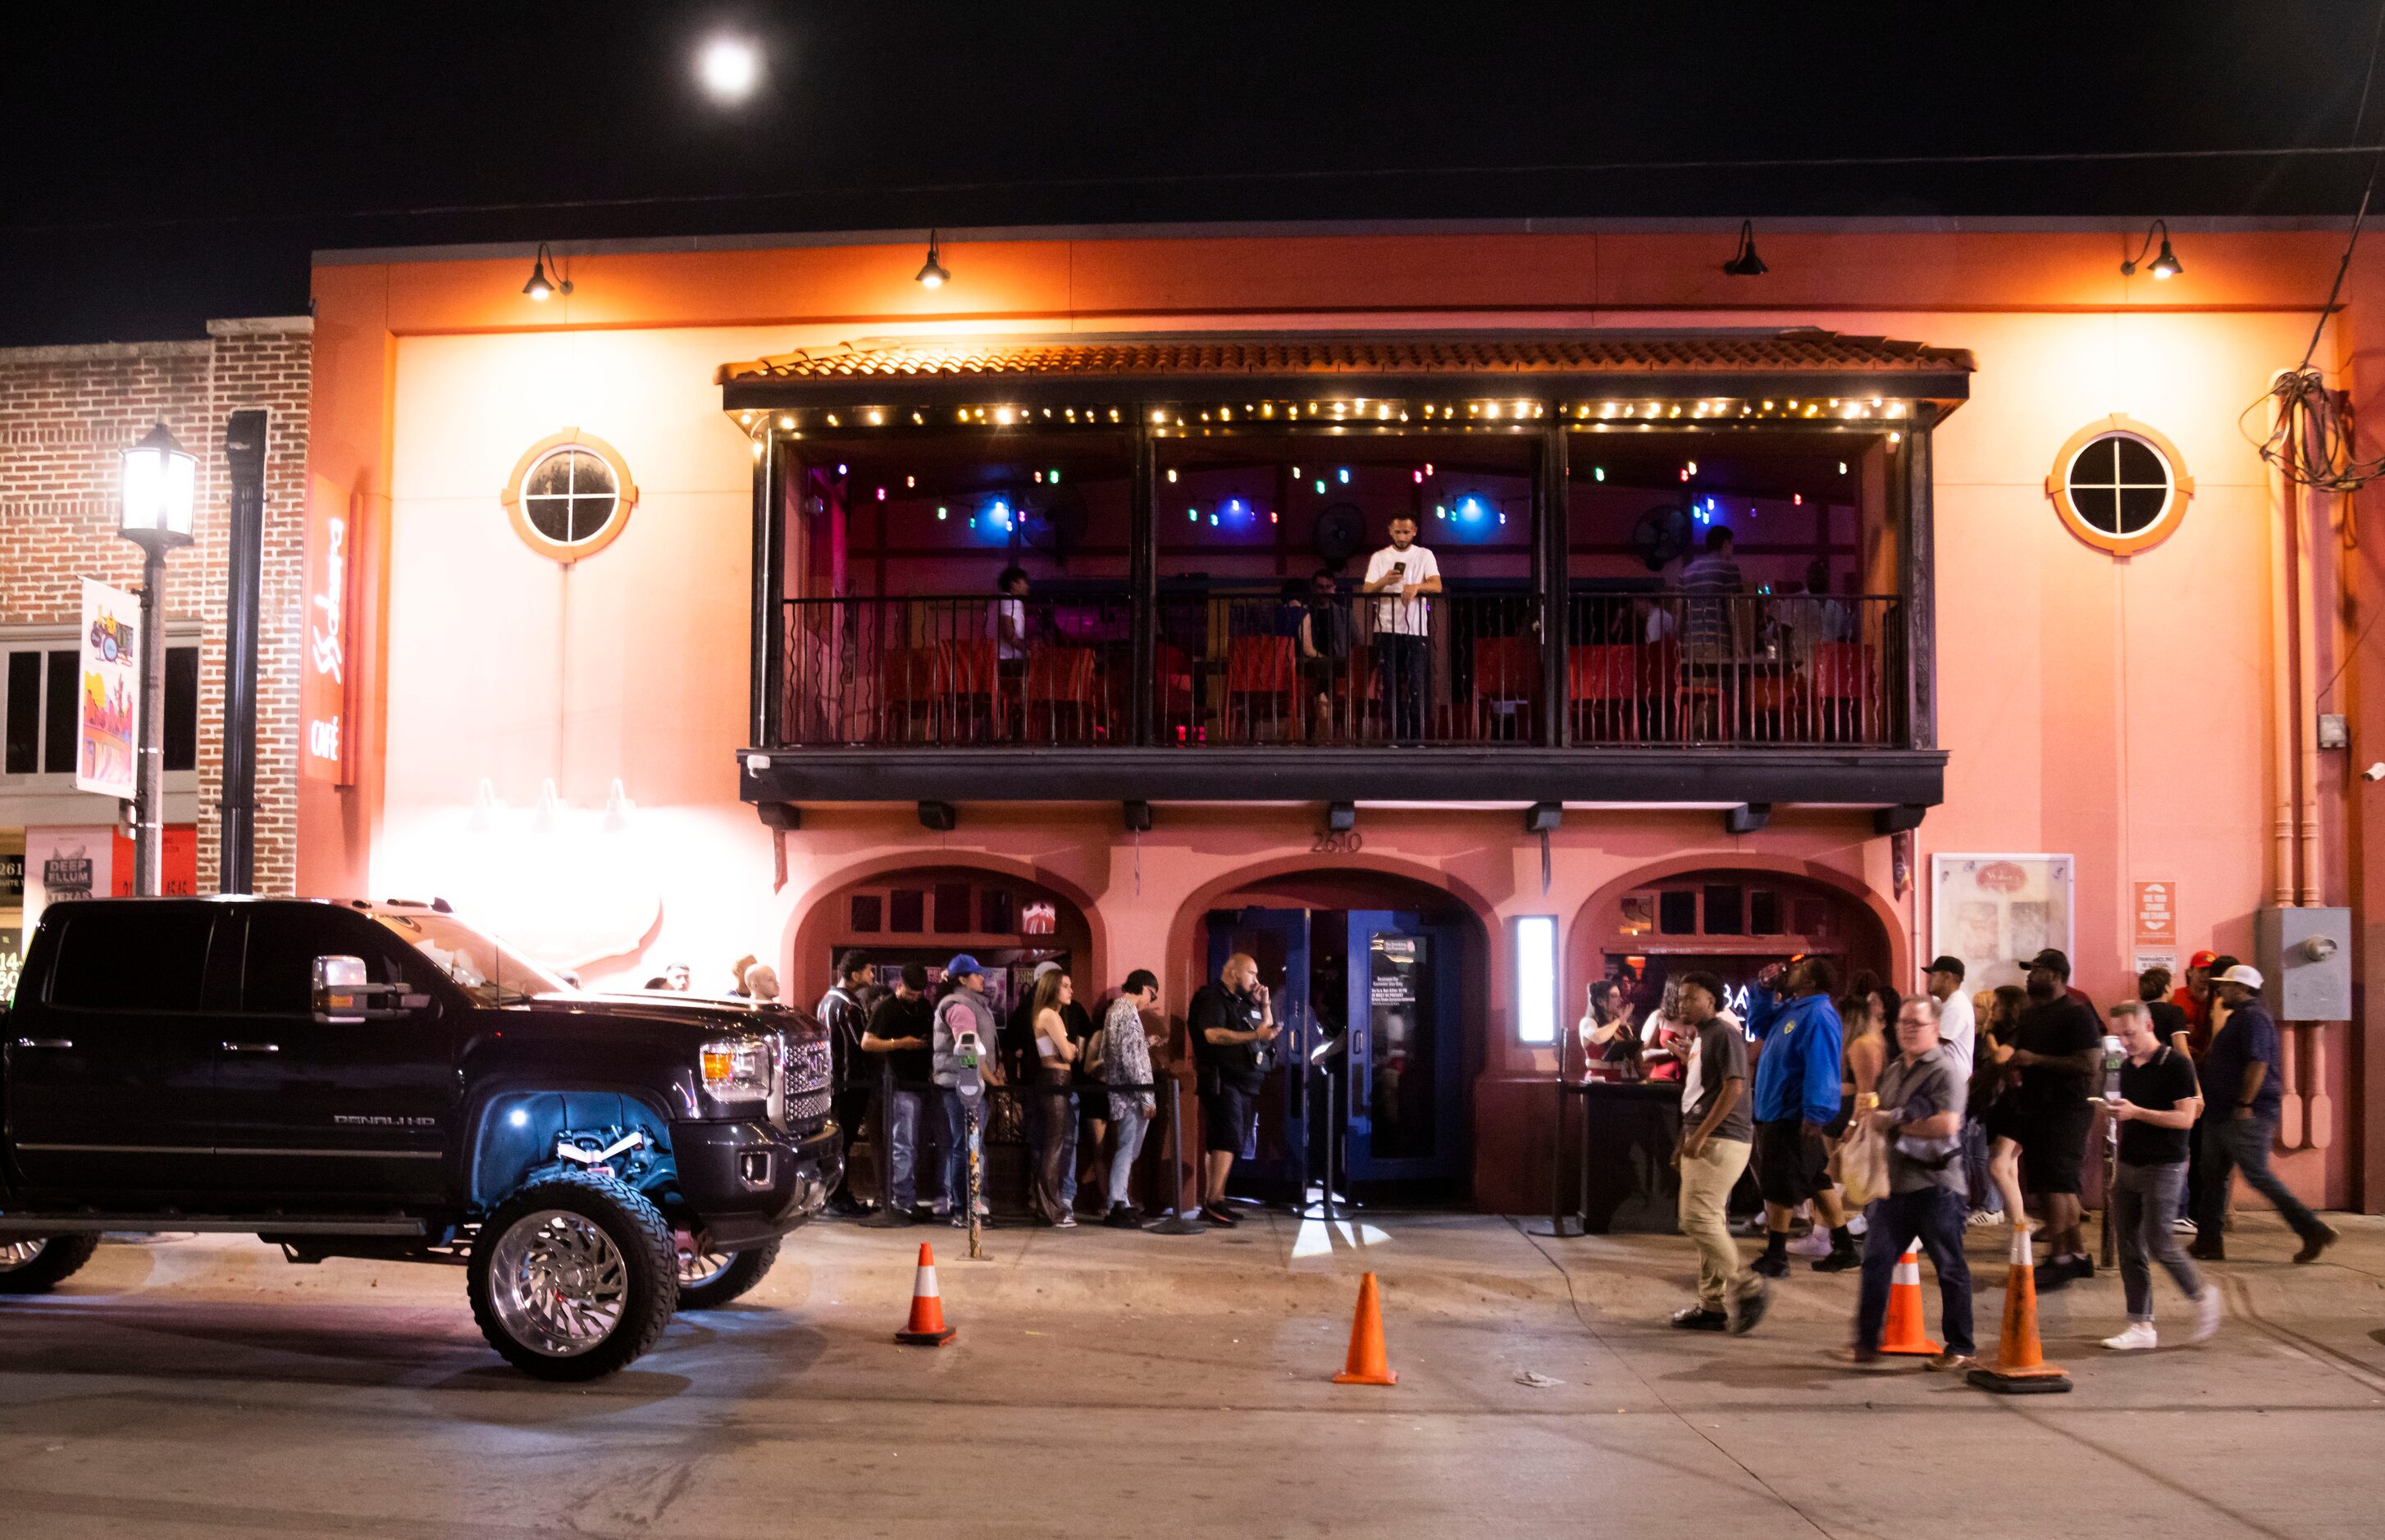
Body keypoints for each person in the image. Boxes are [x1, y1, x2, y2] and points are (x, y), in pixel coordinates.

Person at [1840, 996, 1977, 1371]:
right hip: (1894, 1185)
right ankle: (1868, 1342)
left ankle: (1960, 1345)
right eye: (1902, 1023)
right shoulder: (1897, 1068)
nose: (1908, 1030)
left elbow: (1947, 1125)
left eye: (1916, 1024)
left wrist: (1892, 1123)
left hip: (1936, 1186)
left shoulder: (1945, 1070)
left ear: (1935, 1027)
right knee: (1876, 1262)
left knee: (1949, 1267)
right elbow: (1878, 1110)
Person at [2191, 964, 2337, 1264]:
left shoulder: (2253, 1019)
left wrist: (2245, 1104)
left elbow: (2257, 1064)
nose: (2220, 990)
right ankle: (2208, 1242)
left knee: (2257, 1174)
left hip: (2245, 1113)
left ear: (2243, 989)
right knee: (2212, 1176)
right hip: (2222, 1112)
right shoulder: (2240, 1018)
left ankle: (2311, 1228)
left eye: (2227, 986)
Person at [2100, 998, 2222, 1350]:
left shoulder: (2177, 1065)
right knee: (2128, 1246)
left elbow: (2186, 1118)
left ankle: (2201, 1295)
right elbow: (2132, 1113)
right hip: (2129, 1165)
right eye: (2119, 1036)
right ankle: (2141, 1325)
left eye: (2130, 1034)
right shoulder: (2127, 1068)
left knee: (2160, 1243)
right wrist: (2116, 1113)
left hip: (2164, 1167)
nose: (2124, 1042)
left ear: (2149, 1026)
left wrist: (2136, 1112)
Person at [1664, 971, 1767, 1334]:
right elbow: (1699, 1095)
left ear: (1712, 1000)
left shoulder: (1723, 1034)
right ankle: (1712, 1306)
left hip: (1722, 1139)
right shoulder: (1703, 1037)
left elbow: (1734, 1088)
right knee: (1709, 1221)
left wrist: (1701, 1134)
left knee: (1696, 1220)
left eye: (1691, 997)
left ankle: (1747, 1284)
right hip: (1705, 1137)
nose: (1683, 1003)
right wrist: (1684, 1140)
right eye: (1681, 997)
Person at [1746, 956, 1858, 1276]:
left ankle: (1777, 1256)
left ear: (1810, 982)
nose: (1789, 971)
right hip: (1779, 1110)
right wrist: (1765, 990)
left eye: (1798, 969)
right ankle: (1846, 1249)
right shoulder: (1794, 1009)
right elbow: (1759, 1024)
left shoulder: (1819, 1015)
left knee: (1779, 1185)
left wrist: (1816, 1113)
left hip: (1793, 1114)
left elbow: (1822, 1066)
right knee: (1816, 1178)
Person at [2005, 964, 2103, 1289]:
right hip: (2036, 1108)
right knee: (2049, 1184)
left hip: (2067, 1109)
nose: (2031, 977)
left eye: (2039, 971)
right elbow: (2013, 1048)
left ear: (2059, 975)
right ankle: (2076, 1256)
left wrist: (2037, 1060)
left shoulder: (2077, 1015)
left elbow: (2088, 1064)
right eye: (2030, 972)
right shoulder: (2031, 1014)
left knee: (2059, 1186)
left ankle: (2059, 1260)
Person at [1188, 951, 1279, 1226]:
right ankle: (1214, 1201)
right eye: (1252, 973)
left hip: (1242, 1084)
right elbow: (1212, 1034)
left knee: (1223, 1141)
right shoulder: (1212, 997)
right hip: (1222, 1081)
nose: (1256, 980)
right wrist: (1254, 1035)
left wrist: (1265, 1005)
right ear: (1235, 972)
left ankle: (1216, 1200)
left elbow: (1267, 1031)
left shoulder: (1241, 1002)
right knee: (1226, 1139)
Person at [933, 955, 1006, 1226]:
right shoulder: (960, 1006)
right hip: (961, 1089)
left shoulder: (971, 1004)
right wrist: (978, 1083)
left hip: (966, 1087)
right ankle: (964, 1210)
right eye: (976, 975)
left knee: (969, 1147)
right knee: (965, 1148)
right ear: (962, 979)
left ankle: (968, 1208)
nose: (981, 978)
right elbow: (968, 1050)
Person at [862, 962, 936, 1217]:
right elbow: (867, 1042)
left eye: (919, 994)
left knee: (915, 1144)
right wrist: (899, 1043)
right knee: (903, 1144)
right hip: (898, 1083)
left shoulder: (925, 1007)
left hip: (921, 1082)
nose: (915, 998)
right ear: (899, 984)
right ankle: (902, 1198)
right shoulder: (887, 1008)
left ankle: (906, 1196)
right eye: (911, 993)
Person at [1361, 513, 1441, 742]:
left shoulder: (1424, 554)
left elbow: (1436, 585)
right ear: (1390, 531)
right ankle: (1396, 735)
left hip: (1416, 630)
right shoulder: (1380, 557)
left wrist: (1416, 587)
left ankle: (1416, 736)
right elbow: (1367, 589)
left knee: (1417, 682)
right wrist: (1385, 581)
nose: (1402, 536)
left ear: (1414, 531)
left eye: (1406, 532)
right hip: (1386, 627)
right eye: (1398, 532)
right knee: (1391, 684)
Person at [817, 950, 875, 1216]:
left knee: (835, 1141)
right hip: (850, 1082)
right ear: (855, 975)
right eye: (868, 971)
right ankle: (839, 1198)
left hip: (832, 1082)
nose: (872, 976)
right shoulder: (849, 1005)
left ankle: (832, 1196)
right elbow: (862, 1043)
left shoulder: (826, 1001)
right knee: (844, 1141)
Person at [1101, 969, 1162, 1228]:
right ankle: (1117, 1202)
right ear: (1145, 988)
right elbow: (1130, 1060)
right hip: (1131, 1095)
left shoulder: (1115, 1010)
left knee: (1127, 1148)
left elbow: (1114, 1051)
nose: (1152, 1000)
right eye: (1153, 994)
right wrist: (1146, 1097)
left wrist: (1145, 1043)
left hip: (1120, 1090)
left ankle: (1121, 1200)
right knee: (1128, 1148)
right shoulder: (1128, 1012)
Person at [1972, 984, 2032, 1229]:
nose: (1992, 1009)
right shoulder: (1998, 1030)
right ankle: (2020, 1223)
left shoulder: (2021, 1031)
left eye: (1997, 1004)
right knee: (2008, 1166)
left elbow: (2000, 1057)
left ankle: (2020, 1224)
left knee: (1997, 1165)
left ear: (2010, 1007)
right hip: (2002, 1103)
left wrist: (1989, 1036)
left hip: (2018, 1104)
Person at [1028, 968, 1080, 1228]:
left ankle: (1047, 1206)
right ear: (1053, 988)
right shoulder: (1050, 1015)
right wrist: (1072, 1048)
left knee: (1055, 1144)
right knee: (1054, 1146)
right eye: (1066, 986)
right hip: (1055, 1079)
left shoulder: (1051, 1015)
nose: (1071, 991)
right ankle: (1051, 1208)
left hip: (1056, 1080)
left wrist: (1070, 1048)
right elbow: (1069, 1054)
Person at [1298, 567, 1353, 740]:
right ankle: (1322, 709)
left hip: (1337, 663)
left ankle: (1322, 705)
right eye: (1320, 587)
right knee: (1321, 669)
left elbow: (1356, 640)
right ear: (1314, 588)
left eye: (1328, 587)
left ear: (1334, 588)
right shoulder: (1306, 613)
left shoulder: (1344, 614)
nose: (1324, 591)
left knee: (1330, 671)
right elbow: (1305, 644)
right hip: (1312, 662)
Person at [1681, 524, 1744, 658]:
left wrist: (1678, 641)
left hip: (1690, 641)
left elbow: (1679, 610)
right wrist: (1739, 646)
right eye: (1732, 544)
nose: (1732, 549)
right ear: (1726, 543)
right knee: (1716, 679)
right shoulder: (1729, 568)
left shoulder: (1687, 571)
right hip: (1716, 639)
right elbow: (1732, 609)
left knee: (1695, 679)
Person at [1576, 977, 1631, 1074]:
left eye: (1620, 996)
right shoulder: (1588, 1022)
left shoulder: (1622, 1025)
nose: (1620, 1000)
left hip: (1623, 1080)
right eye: (1614, 996)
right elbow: (1598, 1037)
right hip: (1598, 1081)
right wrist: (1618, 1020)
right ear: (1600, 1001)